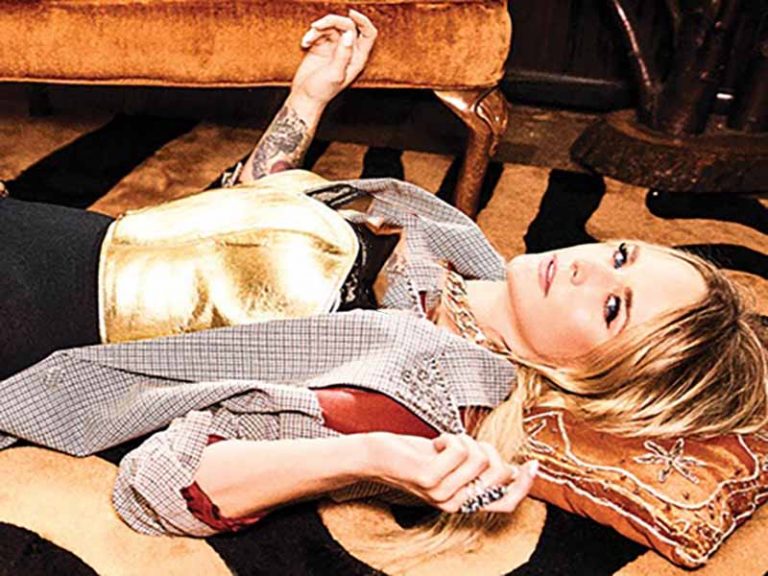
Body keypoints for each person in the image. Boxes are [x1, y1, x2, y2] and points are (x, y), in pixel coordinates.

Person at [0, 9, 765, 561]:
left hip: (29, 315)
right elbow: (235, 233)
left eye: (611, 308)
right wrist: (309, 99)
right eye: (623, 255)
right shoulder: (452, 252)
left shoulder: (416, 392)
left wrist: (370, 458)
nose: (588, 266)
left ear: (591, 374)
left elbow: (162, 484)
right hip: (61, 236)